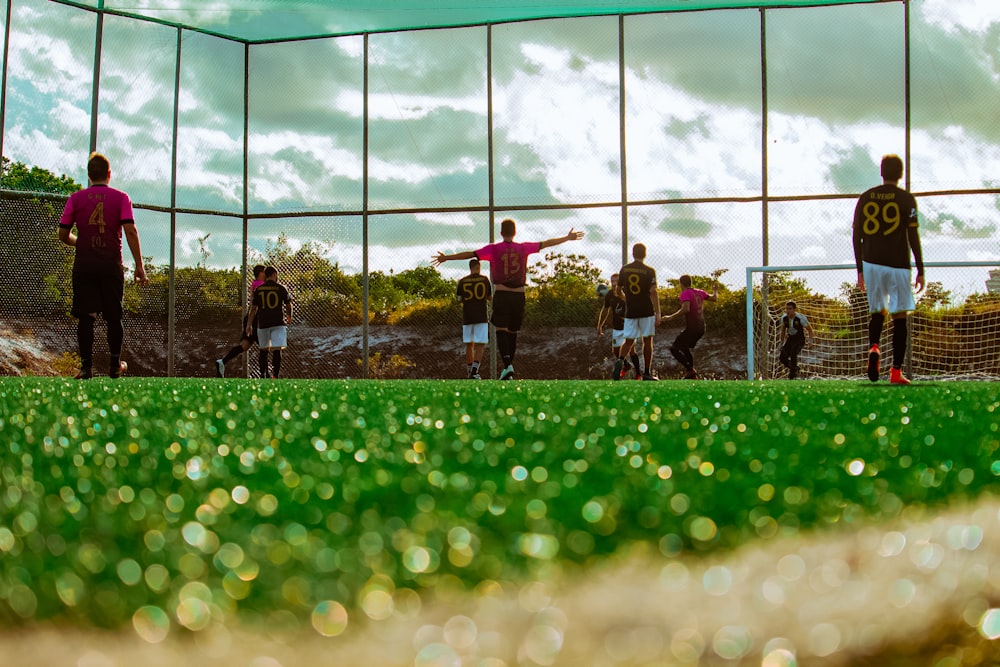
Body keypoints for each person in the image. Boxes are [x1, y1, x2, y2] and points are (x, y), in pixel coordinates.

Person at [432, 218, 584, 380]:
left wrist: (447, 258)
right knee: (513, 332)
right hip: (520, 295)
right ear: (515, 232)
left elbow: (470, 254)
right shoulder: (523, 248)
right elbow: (546, 243)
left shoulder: (494, 249)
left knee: (501, 330)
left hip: (503, 293)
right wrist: (567, 238)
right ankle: (508, 368)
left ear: (501, 232)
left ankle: (507, 366)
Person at [57, 152, 148, 379]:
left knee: (86, 316)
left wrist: (81, 242)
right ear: (109, 174)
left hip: (85, 265)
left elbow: (62, 234)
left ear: (89, 175)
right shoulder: (121, 198)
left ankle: (86, 367)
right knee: (113, 316)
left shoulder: (75, 199)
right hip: (111, 265)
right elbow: (130, 231)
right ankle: (115, 365)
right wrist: (139, 265)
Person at [852, 153, 925, 385]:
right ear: (900, 174)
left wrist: (860, 269)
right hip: (898, 264)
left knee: (877, 312)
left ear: (881, 172)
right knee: (899, 317)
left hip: (872, 263)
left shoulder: (865, 198)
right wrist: (921, 268)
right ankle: (895, 372)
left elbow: (857, 236)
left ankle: (874, 347)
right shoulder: (906, 199)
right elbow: (912, 235)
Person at [614, 243, 660, 381]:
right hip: (646, 310)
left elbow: (618, 290)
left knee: (628, 341)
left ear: (633, 254)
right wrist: (658, 312)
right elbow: (653, 291)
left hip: (631, 310)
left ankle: (620, 361)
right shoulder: (649, 270)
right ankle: (646, 372)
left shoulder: (625, 269)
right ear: (644, 254)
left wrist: (627, 299)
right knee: (647, 340)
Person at [662, 274, 718, 379]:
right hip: (701, 328)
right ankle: (691, 375)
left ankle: (690, 370)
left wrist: (670, 317)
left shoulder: (685, 293)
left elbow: (686, 309)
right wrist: (715, 290)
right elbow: (714, 298)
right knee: (684, 347)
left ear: (681, 284)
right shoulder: (700, 292)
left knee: (674, 349)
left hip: (693, 327)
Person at [215, 264, 266, 377]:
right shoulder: (261, 285)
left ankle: (223, 362)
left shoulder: (254, 283)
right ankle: (264, 375)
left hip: (250, 317)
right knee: (264, 345)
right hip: (256, 318)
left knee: (245, 345)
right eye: (264, 272)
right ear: (260, 273)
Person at [246, 266, 293, 379]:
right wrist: (289, 316)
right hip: (277, 323)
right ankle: (275, 375)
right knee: (277, 349)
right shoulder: (281, 288)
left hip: (263, 324)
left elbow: (254, 308)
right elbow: (288, 304)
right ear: (274, 274)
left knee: (264, 350)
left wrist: (249, 324)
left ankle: (262, 375)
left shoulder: (259, 289)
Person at [597, 273, 640, 379]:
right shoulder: (609, 295)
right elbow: (605, 310)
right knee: (616, 351)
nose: (614, 283)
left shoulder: (627, 294)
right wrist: (600, 325)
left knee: (631, 349)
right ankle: (626, 365)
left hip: (629, 326)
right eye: (612, 281)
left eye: (616, 281)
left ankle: (639, 374)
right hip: (617, 328)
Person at [456, 258, 492, 379]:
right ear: (478, 266)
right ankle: (474, 371)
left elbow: (459, 299)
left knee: (469, 344)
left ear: (470, 267)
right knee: (480, 344)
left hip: (468, 315)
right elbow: (489, 297)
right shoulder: (485, 280)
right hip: (481, 315)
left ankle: (469, 370)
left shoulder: (462, 281)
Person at [778, 300, 814, 379]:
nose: (788, 311)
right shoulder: (784, 318)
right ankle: (795, 369)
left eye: (790, 309)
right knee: (782, 357)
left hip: (799, 339)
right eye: (786, 309)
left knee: (793, 353)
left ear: (794, 309)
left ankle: (792, 376)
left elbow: (810, 330)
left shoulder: (801, 318)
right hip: (790, 338)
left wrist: (810, 341)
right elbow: (783, 330)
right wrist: (781, 342)